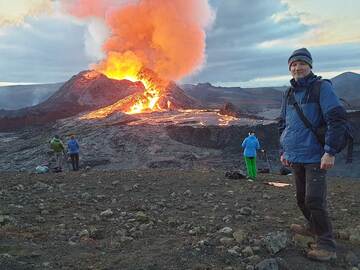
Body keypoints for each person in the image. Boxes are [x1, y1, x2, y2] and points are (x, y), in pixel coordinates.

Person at [278, 48, 348, 261]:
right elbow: (283, 123)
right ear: (290, 68)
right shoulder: (289, 93)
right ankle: (312, 227)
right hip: (295, 155)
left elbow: (336, 118)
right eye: (293, 65)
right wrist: (284, 150)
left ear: (310, 66)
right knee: (301, 200)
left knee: (314, 200)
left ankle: (326, 245)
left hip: (316, 155)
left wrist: (330, 151)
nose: (297, 68)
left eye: (302, 64)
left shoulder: (321, 88)